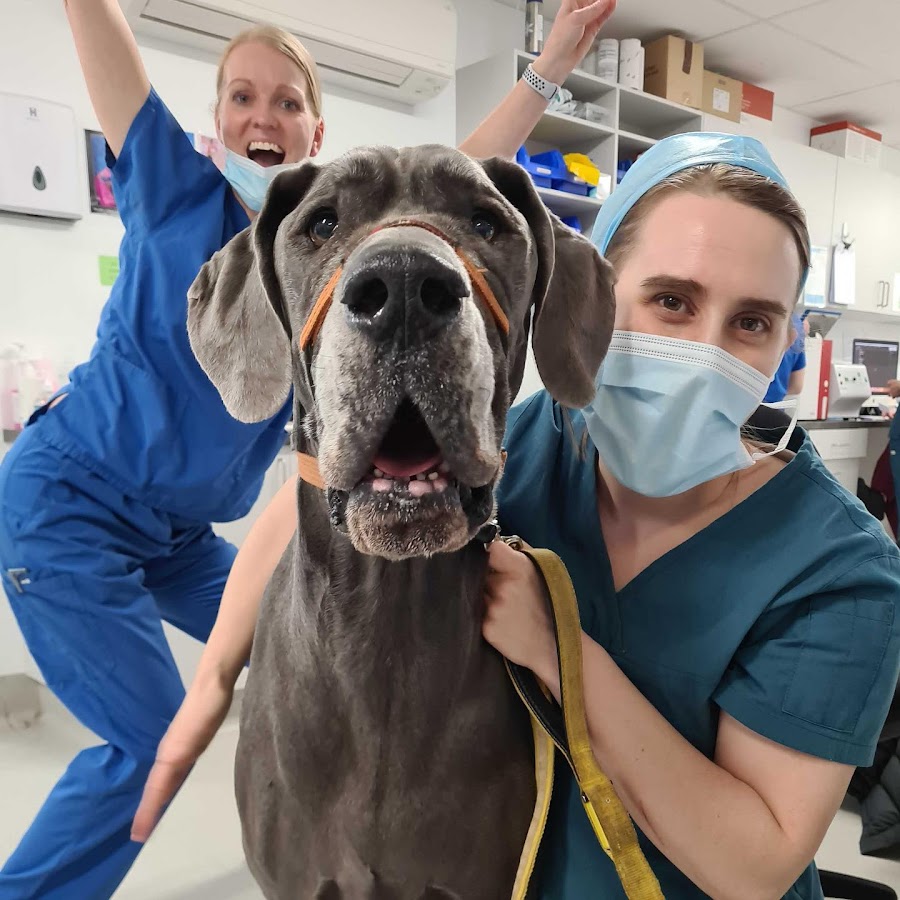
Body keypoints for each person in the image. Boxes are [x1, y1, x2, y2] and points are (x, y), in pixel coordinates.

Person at [135, 132, 900, 900]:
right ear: (593, 300)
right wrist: (214, 677)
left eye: (753, 322)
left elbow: (755, 867)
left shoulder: (843, 571)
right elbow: (320, 485)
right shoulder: (538, 439)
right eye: (671, 300)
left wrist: (557, 648)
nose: (707, 350)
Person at [0, 1, 617, 896]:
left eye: (287, 101)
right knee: (151, 735)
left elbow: (459, 182)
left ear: (315, 130)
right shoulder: (178, 192)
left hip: (176, 534)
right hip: (70, 503)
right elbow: (108, 51)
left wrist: (548, 69)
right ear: (216, 118)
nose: (264, 115)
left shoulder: (333, 246)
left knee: (315, 638)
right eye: (242, 97)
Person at [764, 311, 807, 402]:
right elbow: (796, 386)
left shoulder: (759, 315)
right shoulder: (797, 326)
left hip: (747, 404)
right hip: (774, 405)